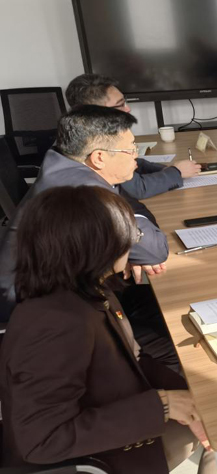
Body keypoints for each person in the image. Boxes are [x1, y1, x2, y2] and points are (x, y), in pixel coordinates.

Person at [0, 186, 216, 474]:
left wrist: (191, 395)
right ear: (98, 246)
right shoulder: (54, 326)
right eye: (131, 235)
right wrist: (162, 405)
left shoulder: (89, 290)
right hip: (89, 465)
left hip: (112, 423)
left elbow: (134, 359)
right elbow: (43, 440)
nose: (133, 243)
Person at [0, 105, 177, 371]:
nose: (136, 157)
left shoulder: (64, 162)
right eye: (131, 149)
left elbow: (133, 222)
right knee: (175, 343)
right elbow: (155, 250)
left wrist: (126, 239)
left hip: (66, 293)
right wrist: (132, 236)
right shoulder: (85, 194)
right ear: (99, 157)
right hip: (49, 326)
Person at [65, 73, 201, 199]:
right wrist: (177, 172)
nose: (127, 109)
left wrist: (165, 169)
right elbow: (138, 189)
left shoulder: (83, 129)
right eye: (120, 105)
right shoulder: (92, 142)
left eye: (125, 102)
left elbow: (132, 162)